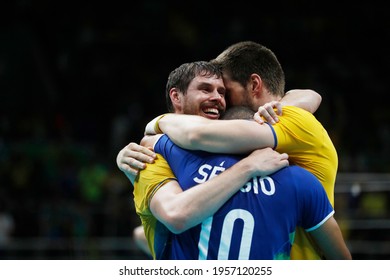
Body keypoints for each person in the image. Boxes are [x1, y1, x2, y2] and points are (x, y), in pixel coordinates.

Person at [119, 41, 336, 260]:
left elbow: (197, 134)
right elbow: (172, 218)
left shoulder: (287, 124)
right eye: (207, 89)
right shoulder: (226, 147)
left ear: (254, 85)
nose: (221, 100)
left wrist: (158, 122)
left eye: (226, 91)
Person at [145, 105, 351, 259]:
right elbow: (342, 260)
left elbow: (148, 141)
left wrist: (155, 125)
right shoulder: (301, 181)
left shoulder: (188, 161)